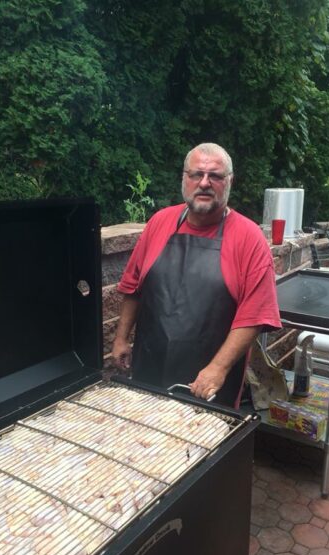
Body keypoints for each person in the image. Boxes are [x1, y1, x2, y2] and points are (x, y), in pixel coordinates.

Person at [112, 142, 281, 407]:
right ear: (184, 179)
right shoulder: (160, 222)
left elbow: (254, 315)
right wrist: (121, 338)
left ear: (229, 181)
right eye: (196, 174)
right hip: (148, 368)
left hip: (207, 384)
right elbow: (133, 286)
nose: (204, 183)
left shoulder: (249, 238)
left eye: (215, 176)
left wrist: (218, 368)